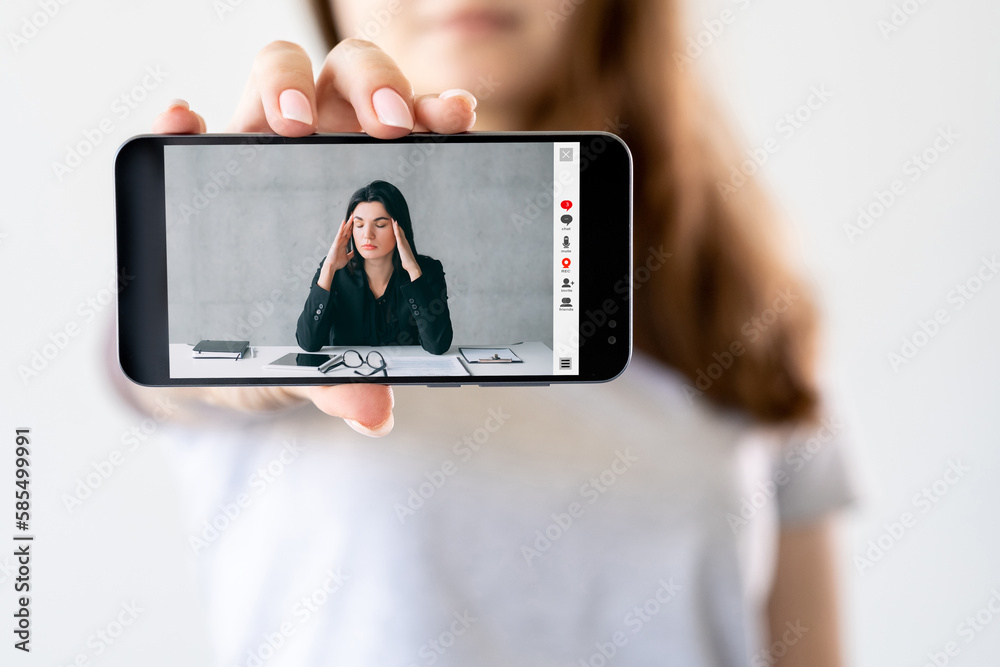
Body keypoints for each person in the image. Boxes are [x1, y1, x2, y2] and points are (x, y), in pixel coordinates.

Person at [121, 0, 866, 664]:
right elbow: (149, 375)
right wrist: (254, 320)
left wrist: (412, 263)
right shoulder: (236, 284)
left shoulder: (753, 313)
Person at [294, 180, 453, 354]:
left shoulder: (427, 271)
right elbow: (308, 342)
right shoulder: (334, 272)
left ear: (399, 228)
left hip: (405, 378)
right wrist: (329, 268)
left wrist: (414, 271)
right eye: (359, 225)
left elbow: (438, 345)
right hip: (349, 376)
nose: (367, 235)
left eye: (380, 225)